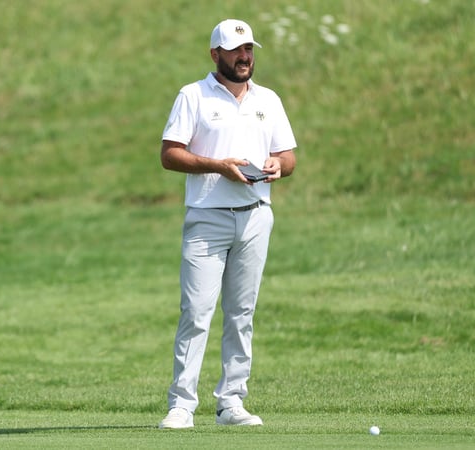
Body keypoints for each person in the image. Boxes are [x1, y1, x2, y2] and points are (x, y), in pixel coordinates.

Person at [158, 18, 297, 429]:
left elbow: (287, 156)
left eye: (249, 49)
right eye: (236, 50)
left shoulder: (267, 100)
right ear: (215, 54)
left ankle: (231, 401)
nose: (245, 57)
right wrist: (217, 166)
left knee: (242, 312)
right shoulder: (193, 96)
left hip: (256, 217)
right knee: (196, 312)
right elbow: (170, 154)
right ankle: (182, 404)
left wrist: (277, 166)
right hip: (207, 218)